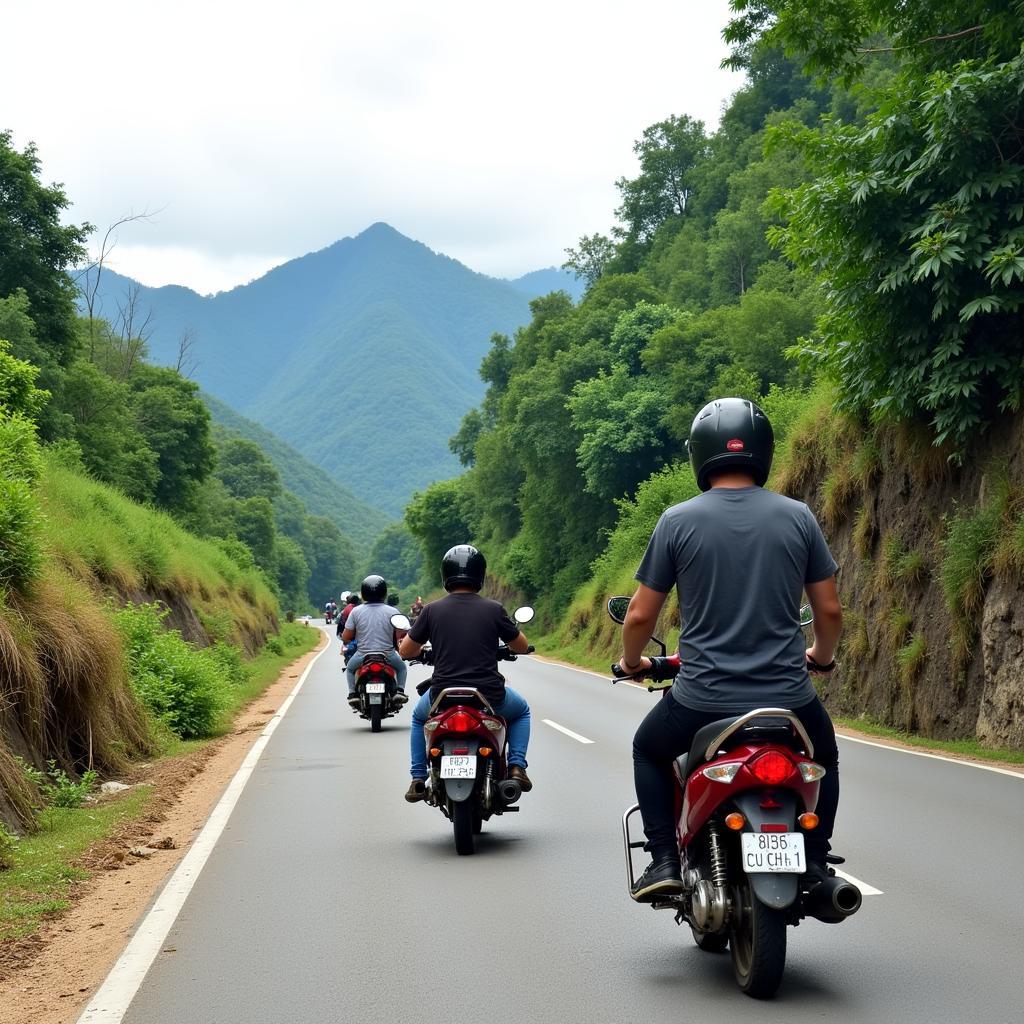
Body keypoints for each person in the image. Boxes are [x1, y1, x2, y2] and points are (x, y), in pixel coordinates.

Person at [622, 397, 843, 902]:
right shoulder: (799, 517)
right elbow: (828, 612)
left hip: (701, 700)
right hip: (788, 701)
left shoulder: (676, 522)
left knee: (648, 750)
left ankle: (663, 860)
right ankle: (815, 860)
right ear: (762, 450)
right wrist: (822, 656)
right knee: (824, 755)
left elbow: (639, 615)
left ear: (700, 454)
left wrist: (633, 662)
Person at [398, 544, 532, 803]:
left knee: (418, 718)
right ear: (479, 575)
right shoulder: (493, 609)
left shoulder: (431, 610)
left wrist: (423, 651)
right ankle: (516, 766)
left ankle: (417, 778)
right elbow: (522, 646)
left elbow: (406, 650)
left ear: (445, 575)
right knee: (522, 711)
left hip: (442, 695)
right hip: (490, 695)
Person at [342, 576, 408, 705]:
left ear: (364, 593)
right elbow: (400, 634)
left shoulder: (356, 612)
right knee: (402, 668)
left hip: (362, 655)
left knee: (349, 669)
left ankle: (352, 694)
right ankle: (400, 691)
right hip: (388, 654)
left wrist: (349, 637)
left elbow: (346, 636)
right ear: (384, 592)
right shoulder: (393, 611)